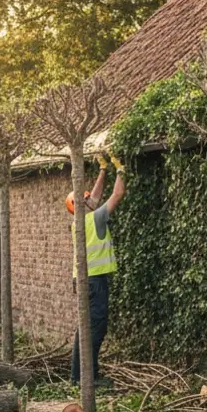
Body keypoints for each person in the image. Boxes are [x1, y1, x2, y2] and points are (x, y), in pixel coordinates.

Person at [68, 153, 126, 385]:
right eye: (86, 199)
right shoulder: (97, 218)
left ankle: (78, 376)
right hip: (95, 281)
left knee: (85, 328)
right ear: (83, 206)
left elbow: (95, 196)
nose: (91, 198)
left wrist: (103, 169)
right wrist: (120, 170)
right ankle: (87, 378)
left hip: (85, 280)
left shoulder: (81, 221)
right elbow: (117, 194)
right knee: (94, 330)